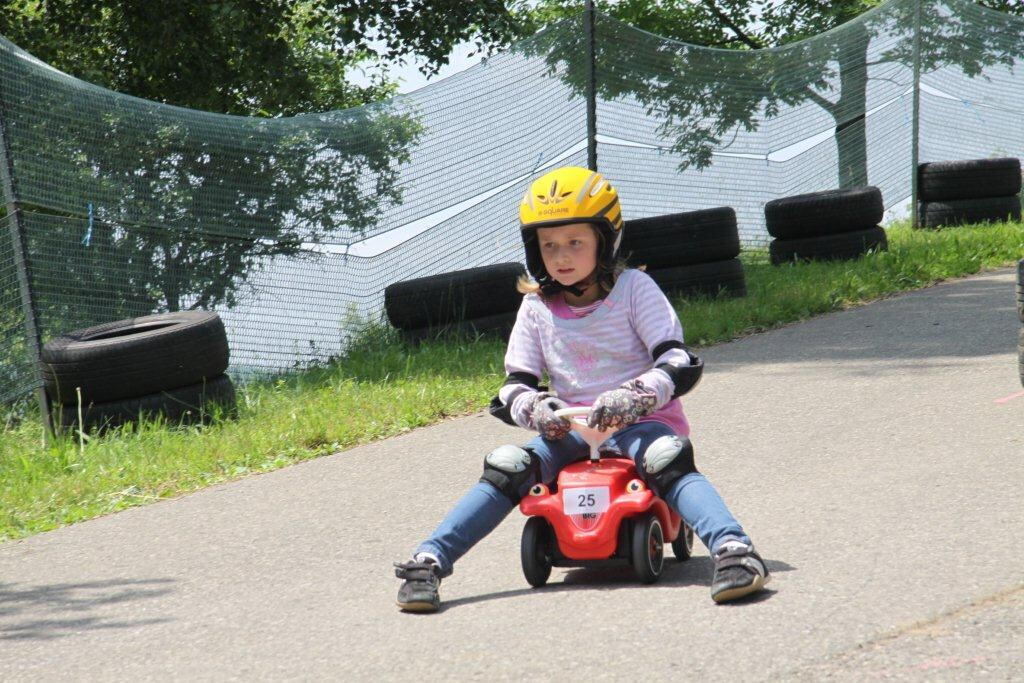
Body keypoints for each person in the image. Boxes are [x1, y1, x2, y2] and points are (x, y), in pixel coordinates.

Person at [393, 166, 770, 612]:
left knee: (666, 460)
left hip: (640, 422)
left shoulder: (635, 289)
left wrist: (636, 396)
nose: (561, 255)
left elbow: (677, 360)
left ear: (605, 241)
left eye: (575, 242)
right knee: (507, 466)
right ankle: (429, 561)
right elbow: (514, 384)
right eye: (549, 244)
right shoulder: (535, 307)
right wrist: (534, 408)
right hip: (570, 429)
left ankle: (734, 551)